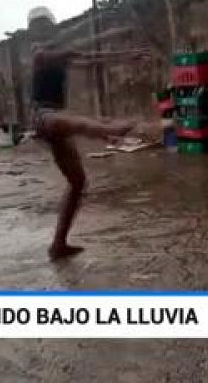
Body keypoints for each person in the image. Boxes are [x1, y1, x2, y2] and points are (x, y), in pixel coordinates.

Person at [31, 42, 149, 260]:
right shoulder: (41, 57)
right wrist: (69, 51)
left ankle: (58, 245)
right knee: (80, 123)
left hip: (57, 119)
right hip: (44, 117)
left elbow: (92, 61)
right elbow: (47, 54)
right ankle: (110, 130)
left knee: (77, 182)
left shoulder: (60, 61)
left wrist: (126, 55)